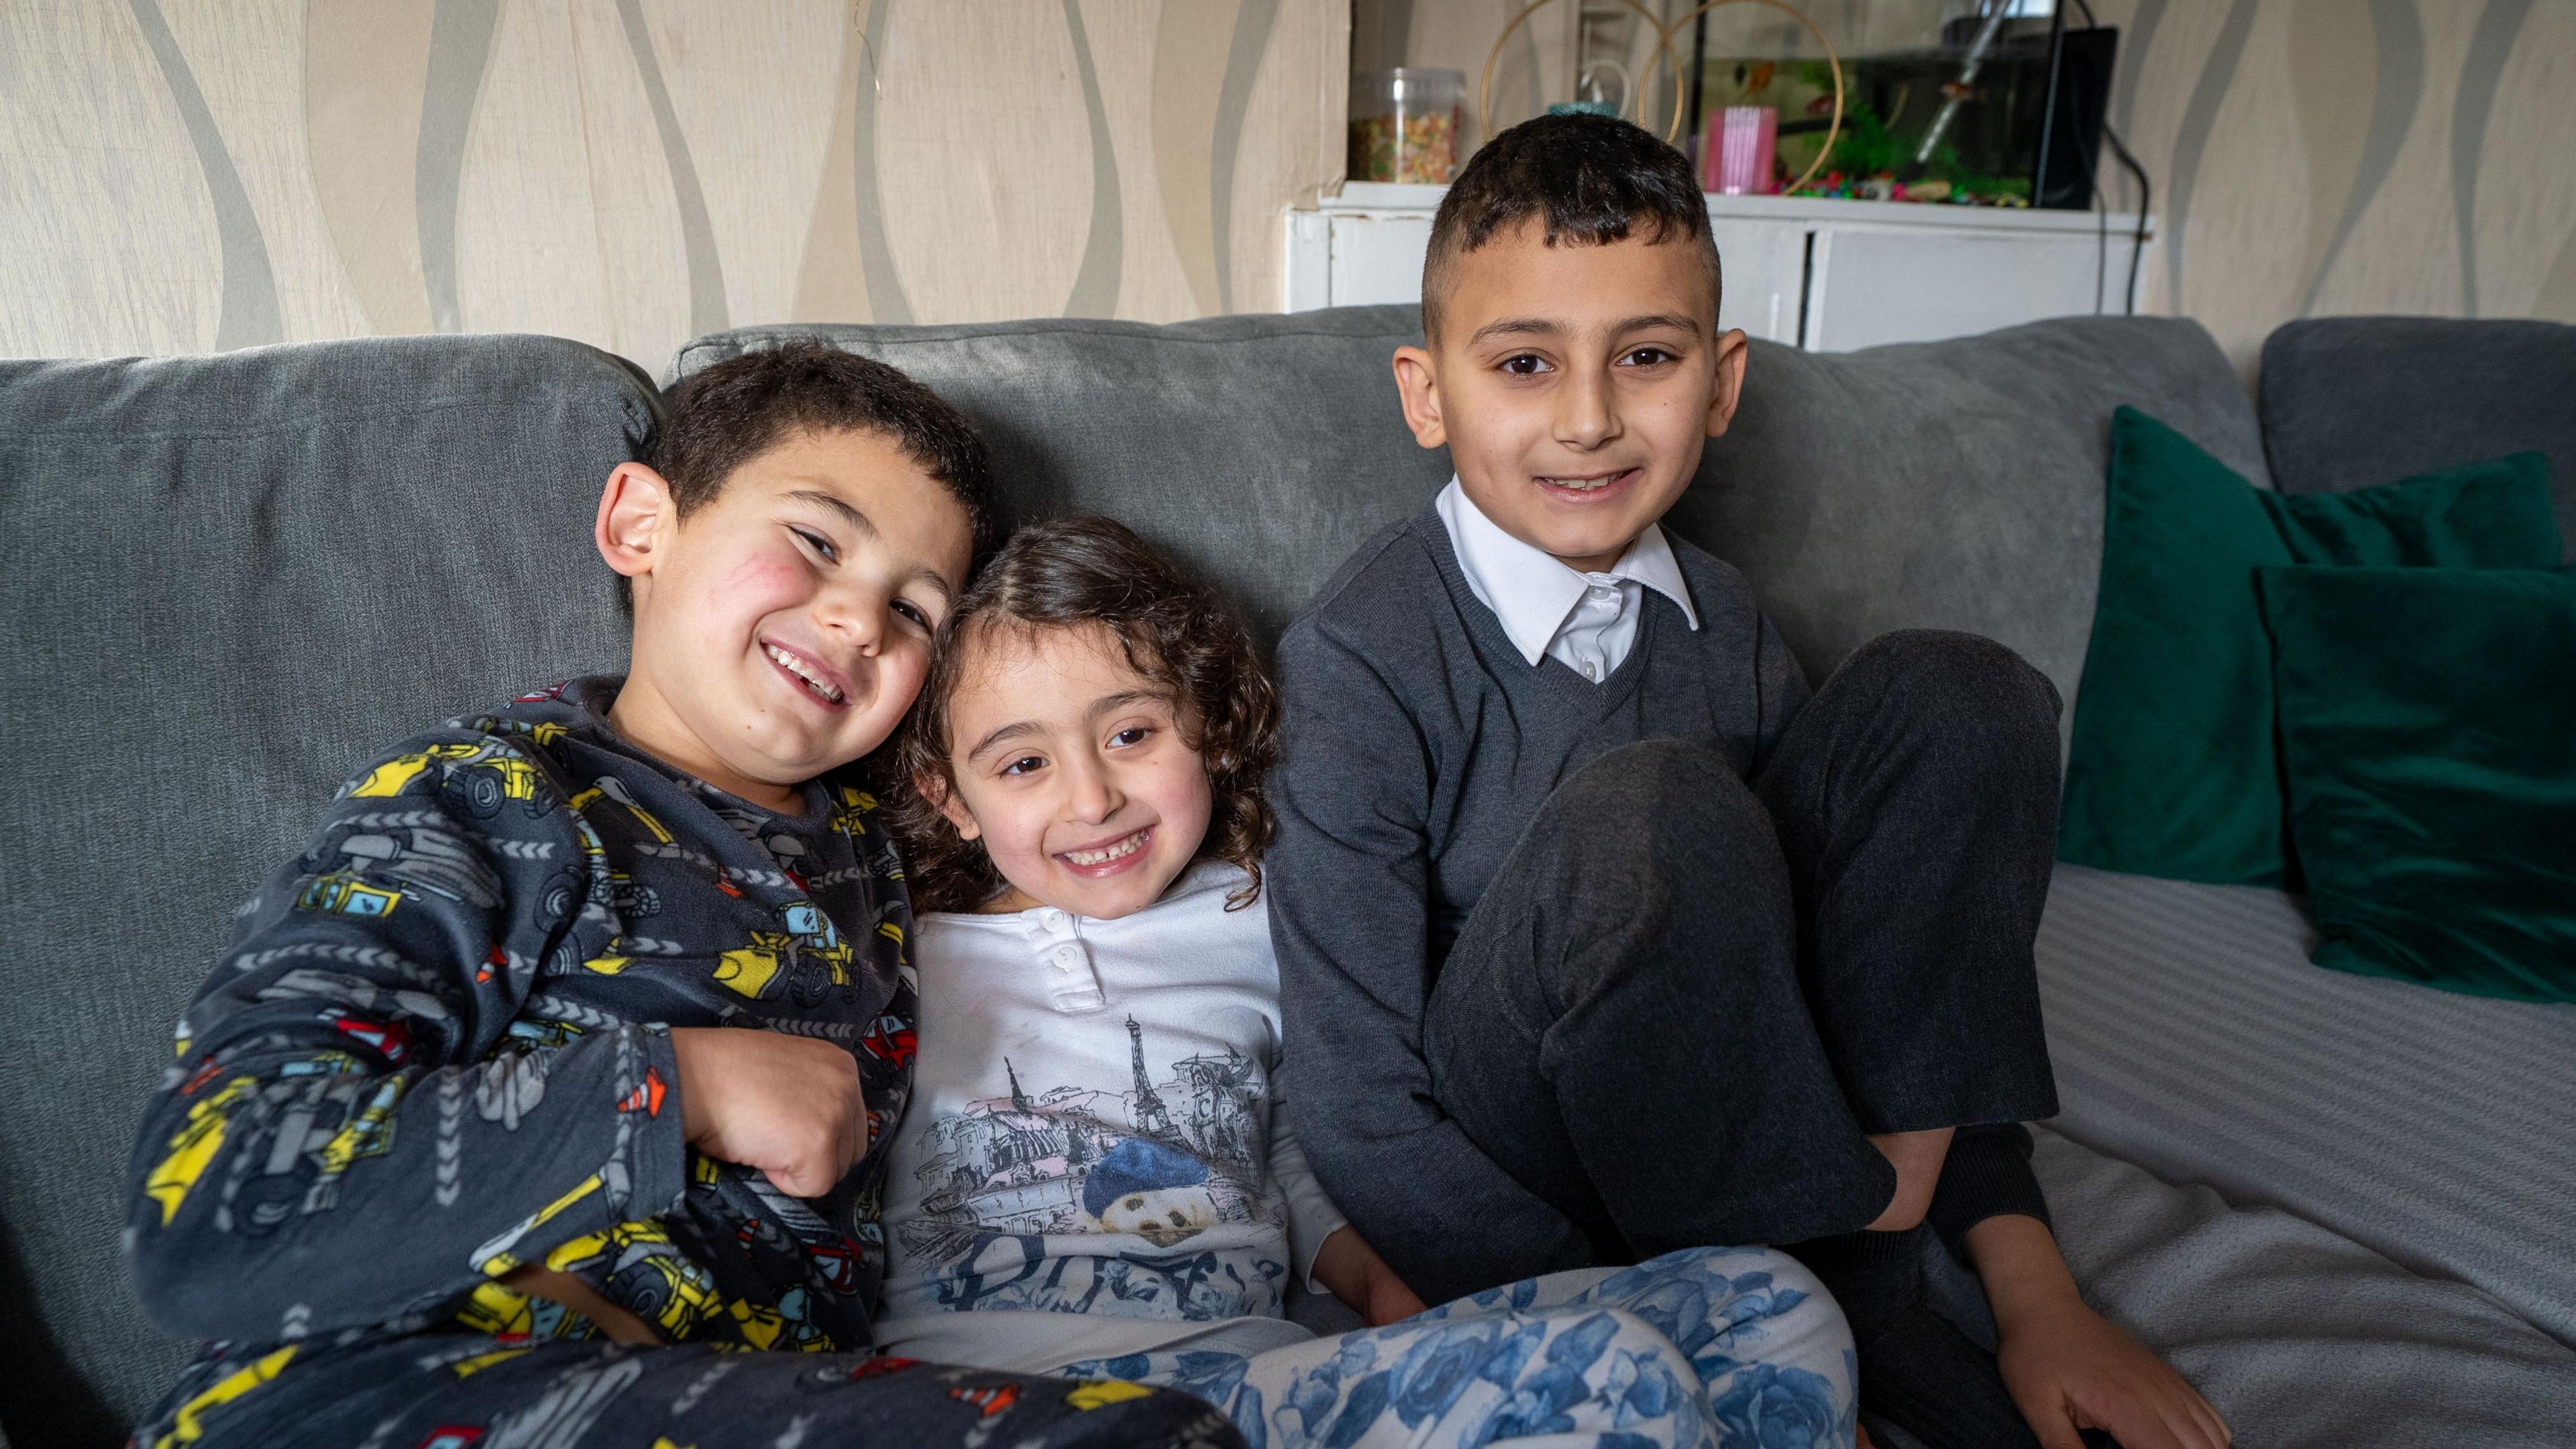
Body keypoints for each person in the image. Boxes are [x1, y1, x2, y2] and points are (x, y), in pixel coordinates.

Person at [1266, 113, 2231, 1449]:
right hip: (1538, 1179)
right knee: (1656, 807)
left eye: (1646, 359)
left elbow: (1902, 968)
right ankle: (1814, 1288)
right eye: (1526, 363)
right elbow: (1359, 1111)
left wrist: (2039, 1303)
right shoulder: (1358, 657)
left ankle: (1857, 1259)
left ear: (1719, 385)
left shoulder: (1728, 624)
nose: (1591, 418)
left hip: (1790, 1163)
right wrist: (1629, 1325)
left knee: (1967, 692)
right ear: (1428, 393)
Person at [120, 343, 1233, 1449]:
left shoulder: (881, 845)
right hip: (379, 1390)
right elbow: (206, 1206)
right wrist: (675, 1087)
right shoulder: (488, 796)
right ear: (640, 526)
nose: (858, 622)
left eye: (914, 612)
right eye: (814, 541)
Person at [880, 515, 1862, 1448]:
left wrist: (1383, 1287)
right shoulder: (893, 953)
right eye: (1021, 765)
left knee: (1773, 1306)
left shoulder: (1255, 912)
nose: (1090, 798)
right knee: (1598, 1369)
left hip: (1252, 1389)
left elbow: (1289, 1138)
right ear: (949, 798)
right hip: (1004, 1405)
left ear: (1208, 726)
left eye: (1132, 735)